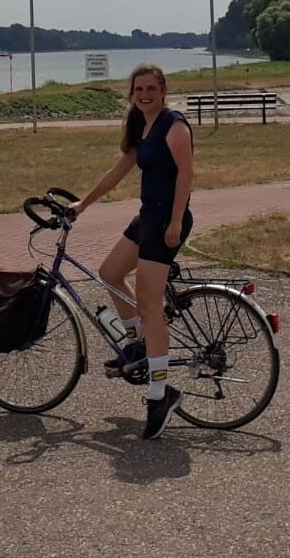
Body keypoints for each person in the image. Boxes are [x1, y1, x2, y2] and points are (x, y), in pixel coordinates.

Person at [70, 63, 194, 440]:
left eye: (151, 88)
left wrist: (174, 223)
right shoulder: (142, 128)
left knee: (149, 303)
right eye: (138, 89)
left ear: (162, 90)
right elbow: (117, 172)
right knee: (108, 273)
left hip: (166, 223)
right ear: (132, 94)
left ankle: (160, 393)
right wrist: (82, 204)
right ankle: (140, 342)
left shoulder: (175, 126)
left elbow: (186, 176)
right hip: (147, 218)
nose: (144, 94)